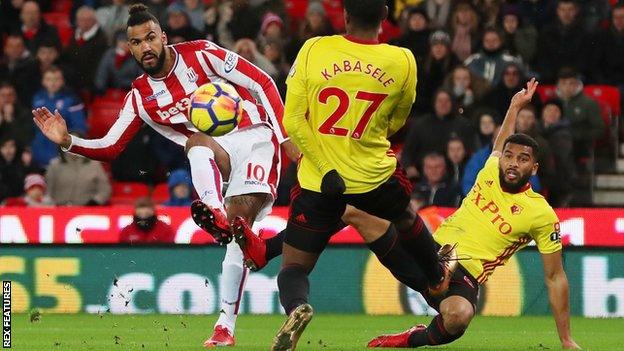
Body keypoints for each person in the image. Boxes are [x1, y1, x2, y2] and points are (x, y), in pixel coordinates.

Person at [32, 4, 299, 348]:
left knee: (240, 231)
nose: (145, 47)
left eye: (150, 38)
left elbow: (261, 80)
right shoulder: (140, 97)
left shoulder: (202, 54)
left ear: (163, 37)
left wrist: (285, 137)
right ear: (128, 47)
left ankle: (225, 315)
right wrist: (70, 141)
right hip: (217, 150)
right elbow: (111, 147)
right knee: (196, 143)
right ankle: (215, 221)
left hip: (258, 138)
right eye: (136, 42)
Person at [255, 1, 455, 349]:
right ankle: (437, 278)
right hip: (373, 176)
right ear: (385, 16)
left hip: (320, 181)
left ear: (344, 15)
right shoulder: (403, 60)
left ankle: (298, 306)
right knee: (406, 216)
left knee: (295, 268)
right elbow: (397, 119)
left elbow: (293, 121)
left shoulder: (314, 48)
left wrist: (329, 165)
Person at [367, 78, 581, 351]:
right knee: (359, 213)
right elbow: (500, 142)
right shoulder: (490, 169)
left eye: (523, 159)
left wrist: (566, 339)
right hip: (429, 251)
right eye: (509, 156)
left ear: (535, 168)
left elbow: (555, 277)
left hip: (463, 275)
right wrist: (514, 106)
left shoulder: (541, 214)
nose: (513, 163)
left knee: (459, 317)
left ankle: (410, 339)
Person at [31, 66, 87, 168]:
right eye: (49, 79)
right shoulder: (36, 98)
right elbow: (32, 127)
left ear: (62, 81)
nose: (52, 83)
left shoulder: (72, 100)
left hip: (61, 156)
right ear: (43, 81)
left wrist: (65, 151)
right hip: (38, 153)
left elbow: (79, 129)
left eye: (56, 79)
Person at [46, 151, 111, 206]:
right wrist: (49, 204)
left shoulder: (94, 164)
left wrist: (94, 202)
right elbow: (47, 190)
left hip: (86, 210)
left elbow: (105, 189)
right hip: (59, 209)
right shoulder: (54, 165)